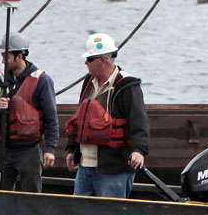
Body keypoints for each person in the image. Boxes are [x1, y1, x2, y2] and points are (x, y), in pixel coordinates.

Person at [63, 33, 150, 198]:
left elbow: (139, 121)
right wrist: (71, 149)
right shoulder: (88, 82)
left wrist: (139, 150)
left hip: (113, 168)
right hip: (85, 165)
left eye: (89, 59)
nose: (85, 63)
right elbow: (81, 118)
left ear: (101, 60)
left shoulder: (127, 86)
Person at [0, 32, 59, 192]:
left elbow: (51, 119)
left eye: (6, 57)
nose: (2, 61)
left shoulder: (42, 81)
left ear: (20, 56)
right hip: (2, 151)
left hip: (28, 152)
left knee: (31, 199)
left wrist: (50, 150)